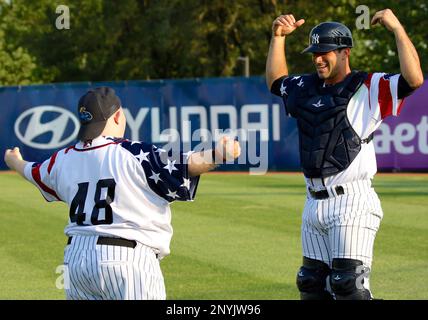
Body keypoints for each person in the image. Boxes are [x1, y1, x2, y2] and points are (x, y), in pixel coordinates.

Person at [4, 86, 241, 300]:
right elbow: (187, 164)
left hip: (75, 261)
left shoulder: (63, 158)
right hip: (127, 261)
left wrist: (14, 161)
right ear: (118, 115)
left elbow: (32, 172)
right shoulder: (133, 152)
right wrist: (219, 154)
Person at [266, 9, 423, 300]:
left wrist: (397, 28)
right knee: (312, 286)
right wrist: (277, 38)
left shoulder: (368, 86)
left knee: (347, 287)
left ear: (345, 52)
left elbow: (413, 80)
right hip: (312, 203)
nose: (318, 58)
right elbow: (277, 83)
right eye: (315, 52)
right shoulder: (305, 86)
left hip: (352, 201)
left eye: (325, 52)